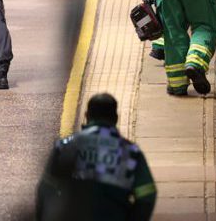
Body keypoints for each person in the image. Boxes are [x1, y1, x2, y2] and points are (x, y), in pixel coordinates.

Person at [35, 93, 157, 221]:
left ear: (87, 116)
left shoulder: (65, 147)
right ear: (116, 118)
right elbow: (147, 195)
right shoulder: (130, 152)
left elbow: (46, 189)